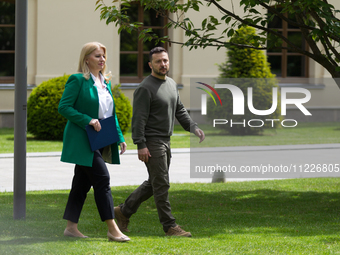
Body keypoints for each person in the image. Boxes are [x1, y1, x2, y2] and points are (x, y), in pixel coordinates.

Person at [114, 46, 205, 237]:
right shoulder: (145, 88)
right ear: (150, 64)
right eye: (158, 61)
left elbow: (179, 109)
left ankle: (123, 211)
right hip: (152, 141)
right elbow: (138, 119)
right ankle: (170, 226)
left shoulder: (171, 84)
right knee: (162, 183)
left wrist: (193, 127)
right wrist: (141, 144)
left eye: (165, 60)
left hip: (166, 140)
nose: (163, 64)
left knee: (154, 183)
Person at [58, 42, 130, 242]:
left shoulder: (104, 82)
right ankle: (112, 228)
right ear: (86, 58)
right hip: (82, 140)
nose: (102, 59)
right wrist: (87, 120)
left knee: (81, 184)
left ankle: (71, 228)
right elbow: (64, 107)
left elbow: (110, 114)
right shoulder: (78, 80)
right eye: (97, 56)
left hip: (100, 139)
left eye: (103, 56)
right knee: (102, 179)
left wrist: (119, 137)